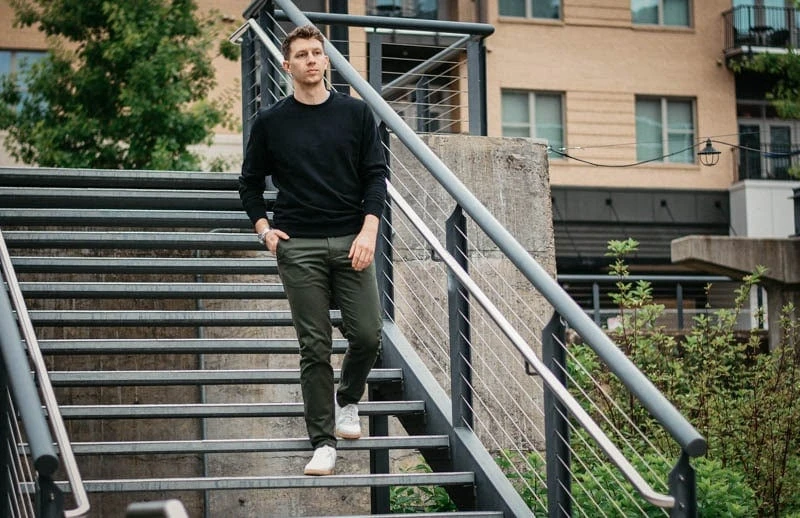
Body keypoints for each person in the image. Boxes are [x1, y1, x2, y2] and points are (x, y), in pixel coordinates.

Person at [238, 25, 387, 477]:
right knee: (315, 347)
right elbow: (248, 183)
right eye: (301, 54)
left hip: (351, 240)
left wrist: (368, 232)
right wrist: (264, 229)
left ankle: (348, 400)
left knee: (367, 335)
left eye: (316, 53)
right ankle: (323, 442)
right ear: (287, 65)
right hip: (297, 244)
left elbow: (375, 176)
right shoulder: (271, 122)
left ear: (326, 61)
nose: (310, 60)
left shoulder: (356, 115)